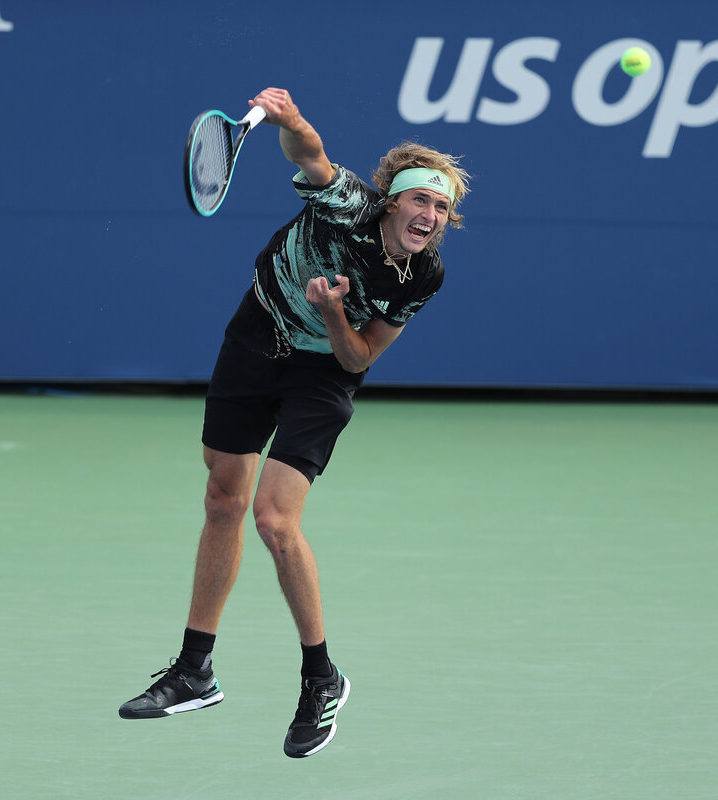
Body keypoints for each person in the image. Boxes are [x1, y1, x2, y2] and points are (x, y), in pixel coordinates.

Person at [118, 87, 470, 759]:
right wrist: (292, 119)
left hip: (323, 375)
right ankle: (196, 670)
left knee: (276, 520)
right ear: (392, 199)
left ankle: (320, 676)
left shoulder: (424, 275)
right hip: (255, 340)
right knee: (223, 496)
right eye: (421, 199)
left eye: (442, 208)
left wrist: (335, 311)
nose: (429, 214)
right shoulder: (350, 205)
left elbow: (360, 355)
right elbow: (312, 157)